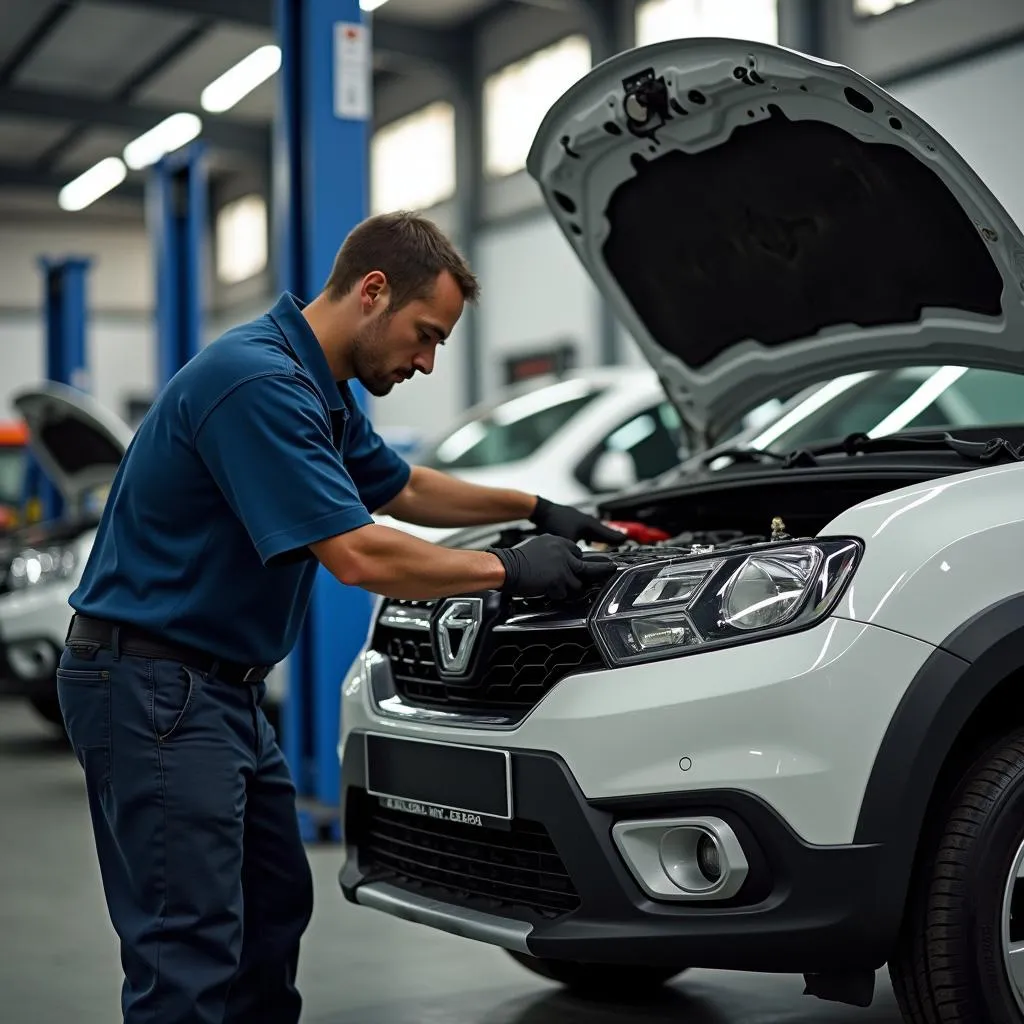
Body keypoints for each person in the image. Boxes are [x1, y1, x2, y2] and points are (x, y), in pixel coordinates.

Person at [57, 210, 623, 1024]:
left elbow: (401, 488)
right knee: (188, 946)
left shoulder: (315, 383)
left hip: (213, 688)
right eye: (425, 336)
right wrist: (507, 569)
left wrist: (538, 508)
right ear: (372, 291)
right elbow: (359, 555)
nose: (427, 363)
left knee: (273, 907)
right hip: (154, 685)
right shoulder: (256, 382)